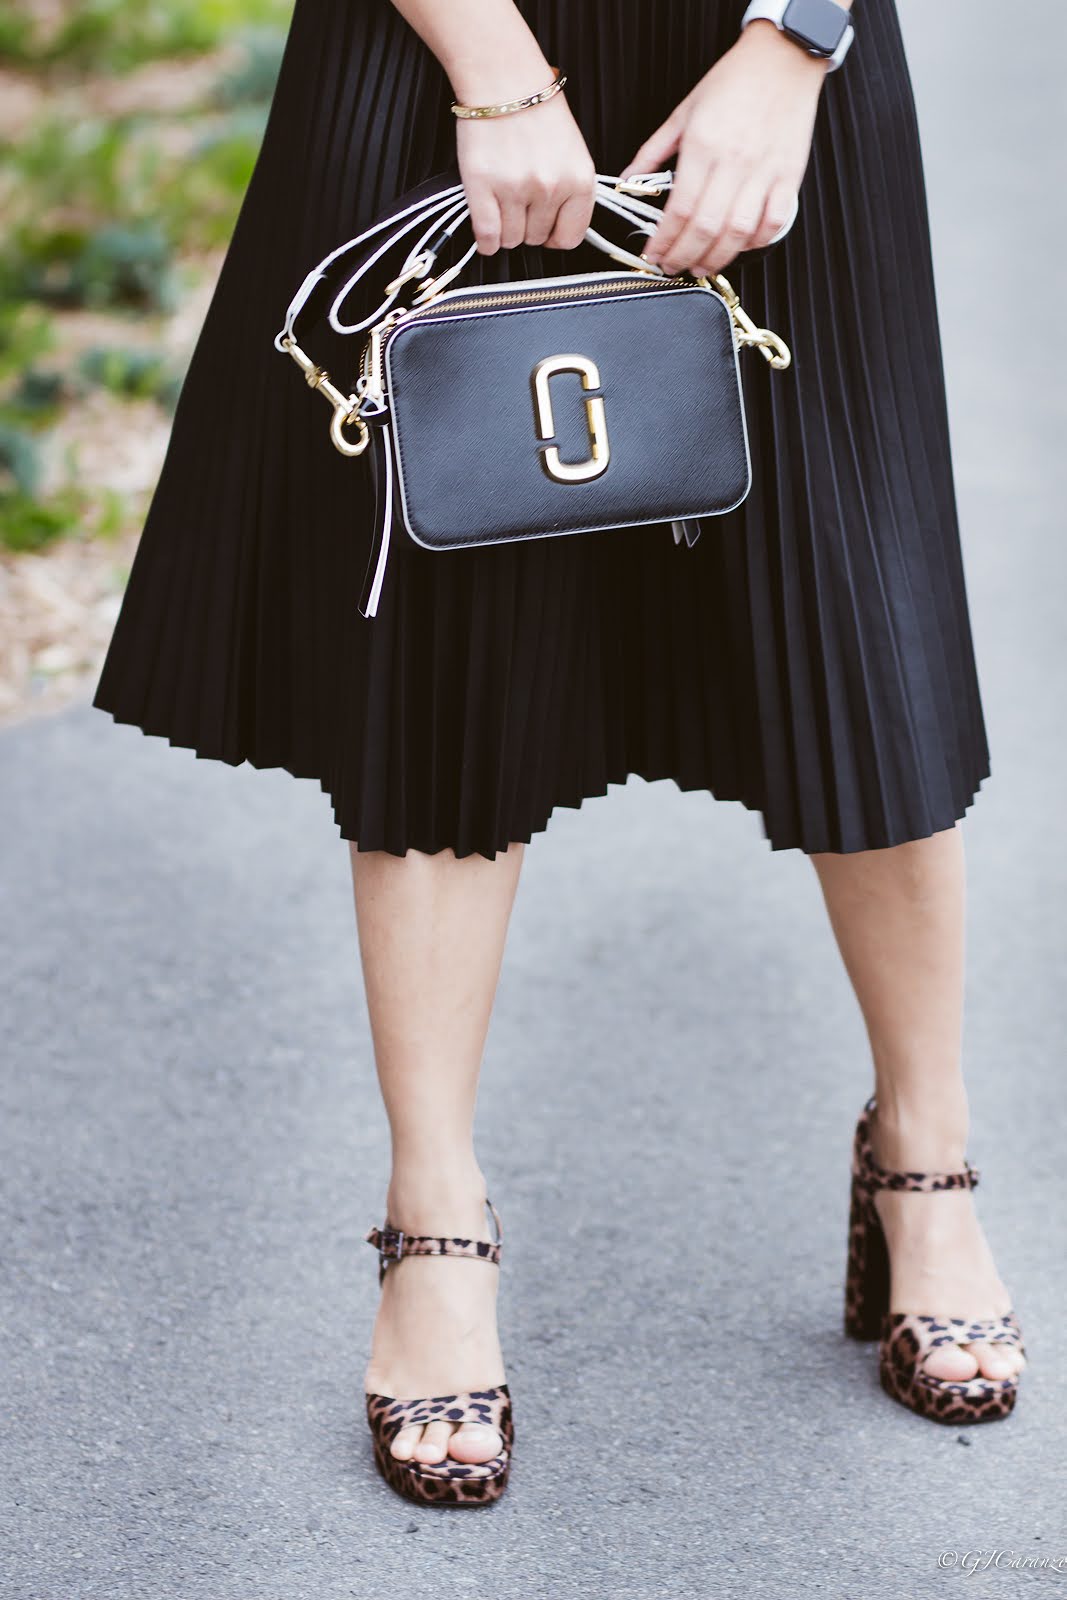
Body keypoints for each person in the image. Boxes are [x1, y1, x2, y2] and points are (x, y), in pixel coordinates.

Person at [91, 0, 1026, 1506]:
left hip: (781, 66)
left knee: (864, 633)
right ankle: (434, 1222)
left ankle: (926, 1159)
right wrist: (493, 72)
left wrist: (795, 44)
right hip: (441, 60)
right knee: (447, 661)